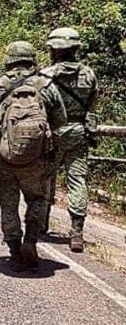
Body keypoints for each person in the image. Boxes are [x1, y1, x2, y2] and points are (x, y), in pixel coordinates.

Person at [0, 41, 66, 271]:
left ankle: (15, 251)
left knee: (8, 204)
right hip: (37, 160)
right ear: (31, 60)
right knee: (37, 200)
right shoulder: (47, 86)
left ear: (8, 59)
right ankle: (31, 240)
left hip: (3, 159)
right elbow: (60, 122)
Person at [40, 27, 99, 251]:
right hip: (78, 133)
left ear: (55, 50)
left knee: (46, 178)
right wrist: (90, 133)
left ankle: (41, 223)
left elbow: (41, 109)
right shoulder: (89, 75)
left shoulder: (46, 75)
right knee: (77, 181)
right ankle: (76, 232)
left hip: (53, 133)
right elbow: (92, 109)